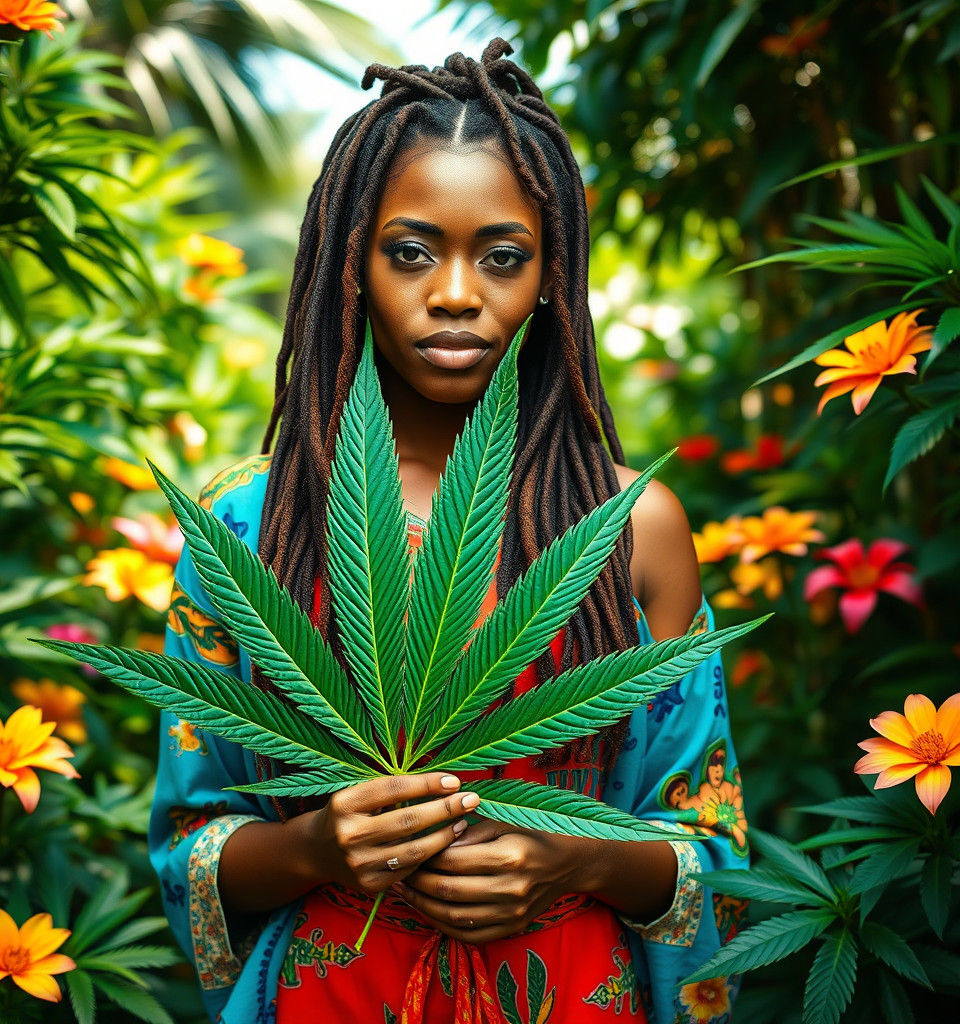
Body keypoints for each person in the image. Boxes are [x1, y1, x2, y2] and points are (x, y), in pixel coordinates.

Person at [149, 38, 750, 1024]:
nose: (457, 291)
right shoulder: (250, 525)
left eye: (503, 255)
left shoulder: (630, 527)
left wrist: (580, 858)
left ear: (553, 274)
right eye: (412, 251)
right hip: (335, 993)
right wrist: (313, 847)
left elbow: (709, 847)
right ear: (351, 264)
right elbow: (188, 839)